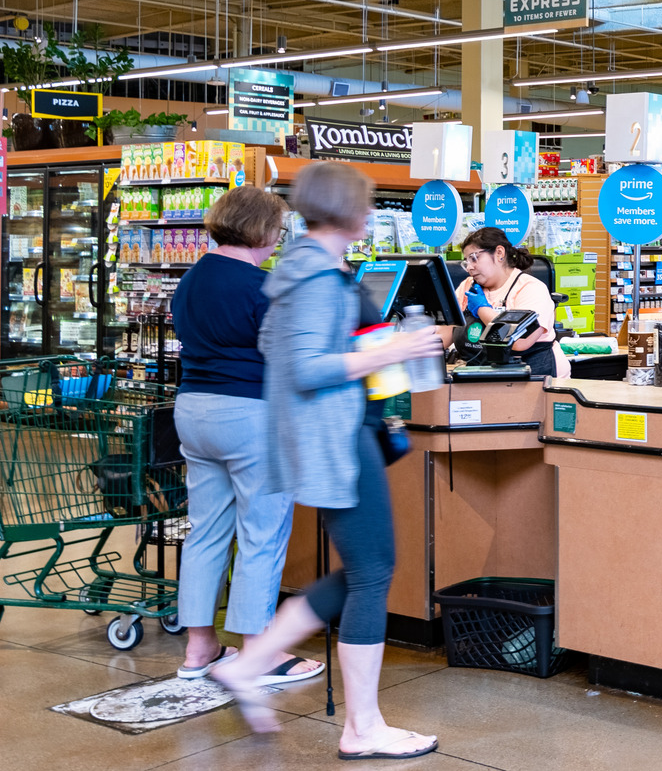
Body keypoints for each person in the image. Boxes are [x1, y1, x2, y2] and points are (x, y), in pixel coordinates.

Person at [212, 162, 445, 760]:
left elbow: (284, 352)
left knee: (365, 570)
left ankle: (255, 663)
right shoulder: (316, 278)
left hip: (330, 437)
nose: (370, 214)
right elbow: (306, 367)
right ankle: (362, 726)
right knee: (371, 573)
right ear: (343, 208)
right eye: (364, 203)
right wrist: (391, 349)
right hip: (334, 441)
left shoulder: (303, 269)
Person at [171, 186, 323, 686]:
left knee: (206, 531)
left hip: (193, 410)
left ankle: (199, 649)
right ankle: (258, 654)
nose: (280, 238)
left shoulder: (189, 280)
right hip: (250, 414)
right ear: (260, 230)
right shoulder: (263, 287)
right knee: (261, 534)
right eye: (278, 228)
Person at [455, 227, 571, 379]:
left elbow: (519, 341)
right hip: (487, 376)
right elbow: (447, 330)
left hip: (536, 378)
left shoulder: (530, 288)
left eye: (474, 258)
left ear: (499, 253)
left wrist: (482, 309)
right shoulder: (468, 285)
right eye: (466, 262)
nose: (470, 267)